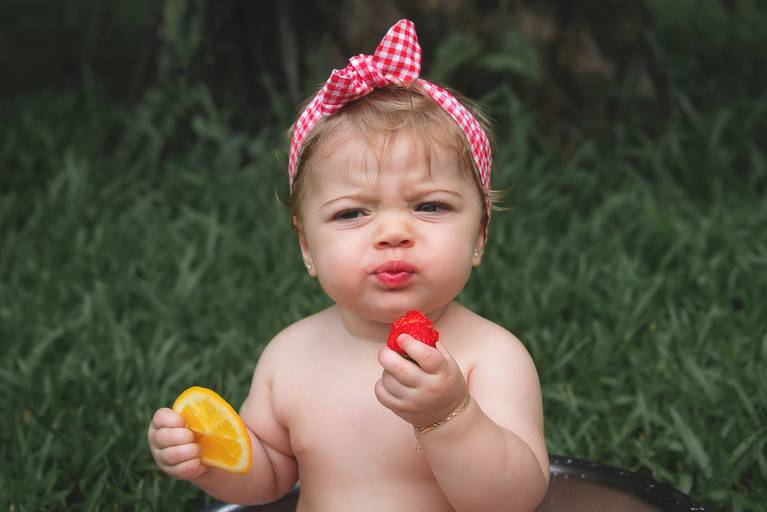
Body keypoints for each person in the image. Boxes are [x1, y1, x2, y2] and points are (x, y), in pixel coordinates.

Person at [148, 19, 549, 511]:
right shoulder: (289, 357)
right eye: (352, 213)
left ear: (480, 235)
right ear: (307, 247)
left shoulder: (490, 358)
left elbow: (513, 501)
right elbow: (269, 478)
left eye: (430, 206)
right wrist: (210, 459)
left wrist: (450, 416)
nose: (393, 232)